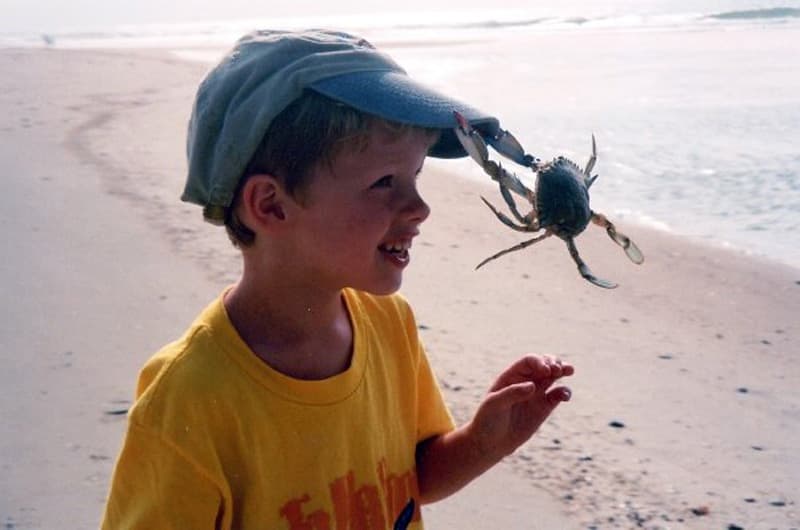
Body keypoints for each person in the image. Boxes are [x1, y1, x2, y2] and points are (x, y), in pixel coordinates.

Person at [101, 29, 574, 529]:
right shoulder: (188, 400)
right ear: (271, 205)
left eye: (417, 178)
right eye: (384, 183)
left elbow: (412, 480)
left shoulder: (390, 324)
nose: (420, 208)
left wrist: (482, 443)